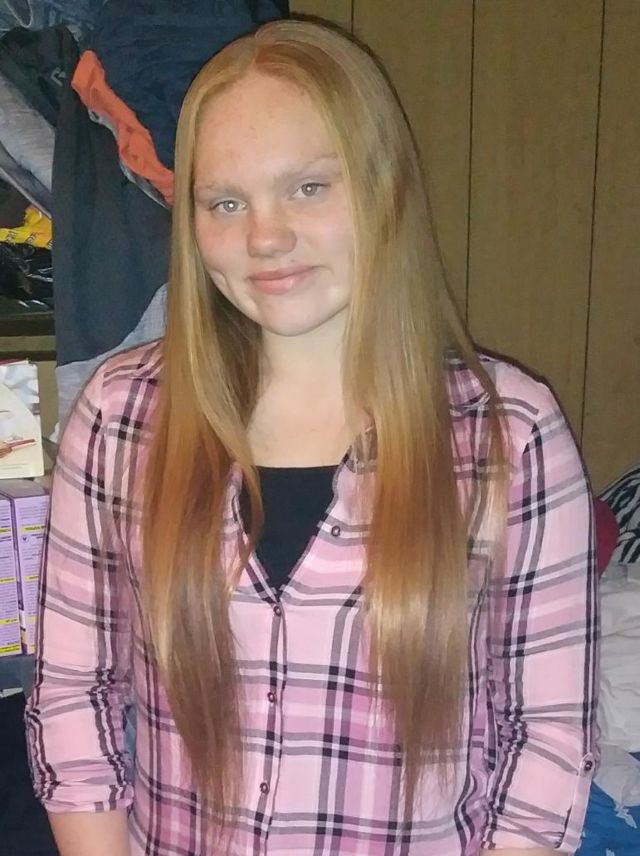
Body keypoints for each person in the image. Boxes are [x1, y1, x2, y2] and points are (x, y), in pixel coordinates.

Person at [25, 17, 598, 856]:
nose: (266, 237)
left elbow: (543, 743)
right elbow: (76, 697)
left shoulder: (509, 434)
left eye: (308, 188)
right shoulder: (121, 416)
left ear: (382, 188)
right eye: (227, 202)